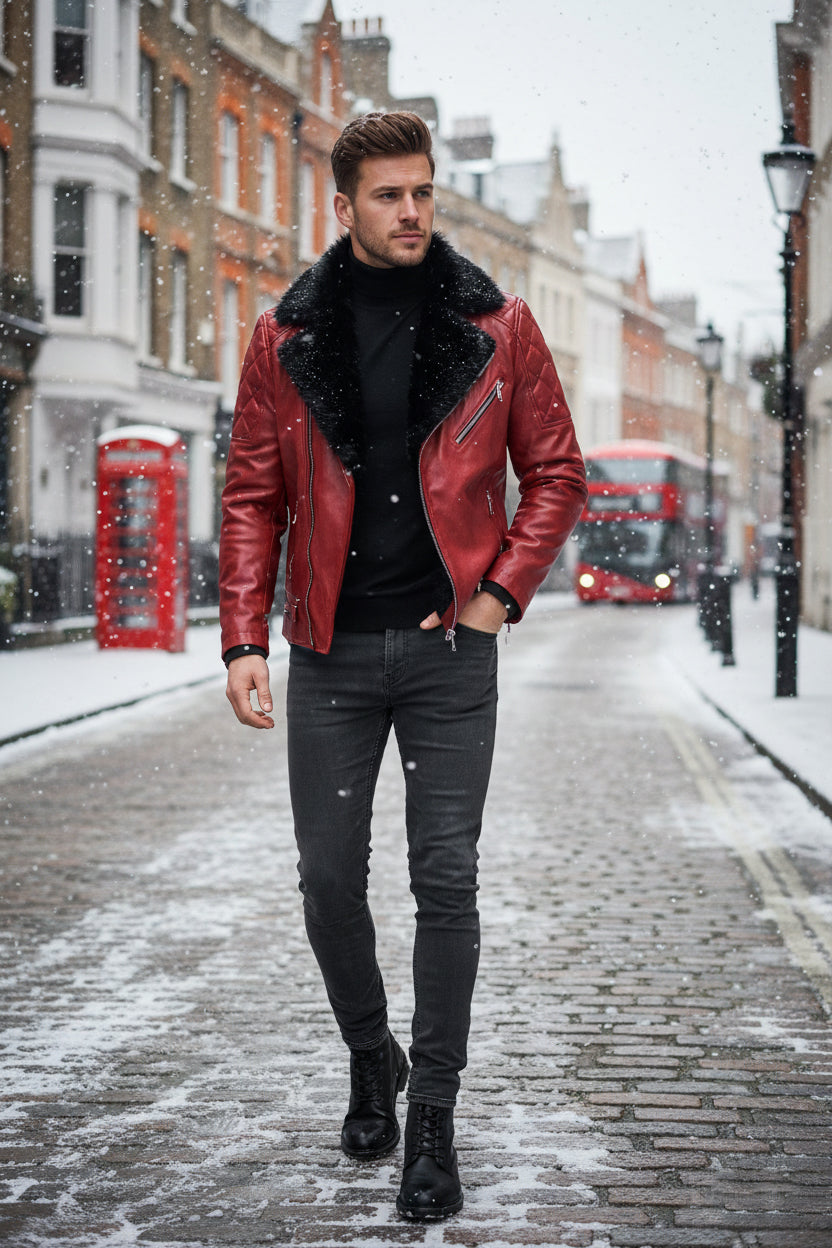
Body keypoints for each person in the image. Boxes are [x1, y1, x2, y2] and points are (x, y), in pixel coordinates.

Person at [219, 111, 586, 1220]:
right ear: (344, 207)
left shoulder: (496, 325)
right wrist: (242, 634)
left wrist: (497, 592)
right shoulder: (286, 336)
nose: (411, 210)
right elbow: (251, 495)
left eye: (421, 191)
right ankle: (370, 1053)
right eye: (387, 195)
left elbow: (557, 474)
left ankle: (433, 1114)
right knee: (327, 881)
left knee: (446, 879)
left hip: (446, 656)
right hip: (329, 650)